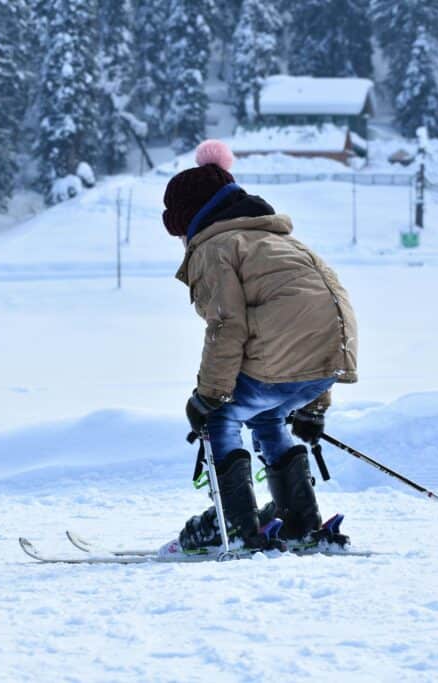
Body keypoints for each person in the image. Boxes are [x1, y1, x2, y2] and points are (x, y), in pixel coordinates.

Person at [162, 140, 358, 552]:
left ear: (191, 218)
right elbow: (320, 322)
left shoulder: (215, 248)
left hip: (281, 366)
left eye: (179, 230)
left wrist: (208, 397)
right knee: (268, 418)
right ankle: (299, 522)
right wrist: (314, 404)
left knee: (221, 420)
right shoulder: (287, 243)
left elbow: (226, 325)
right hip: (324, 365)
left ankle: (236, 528)